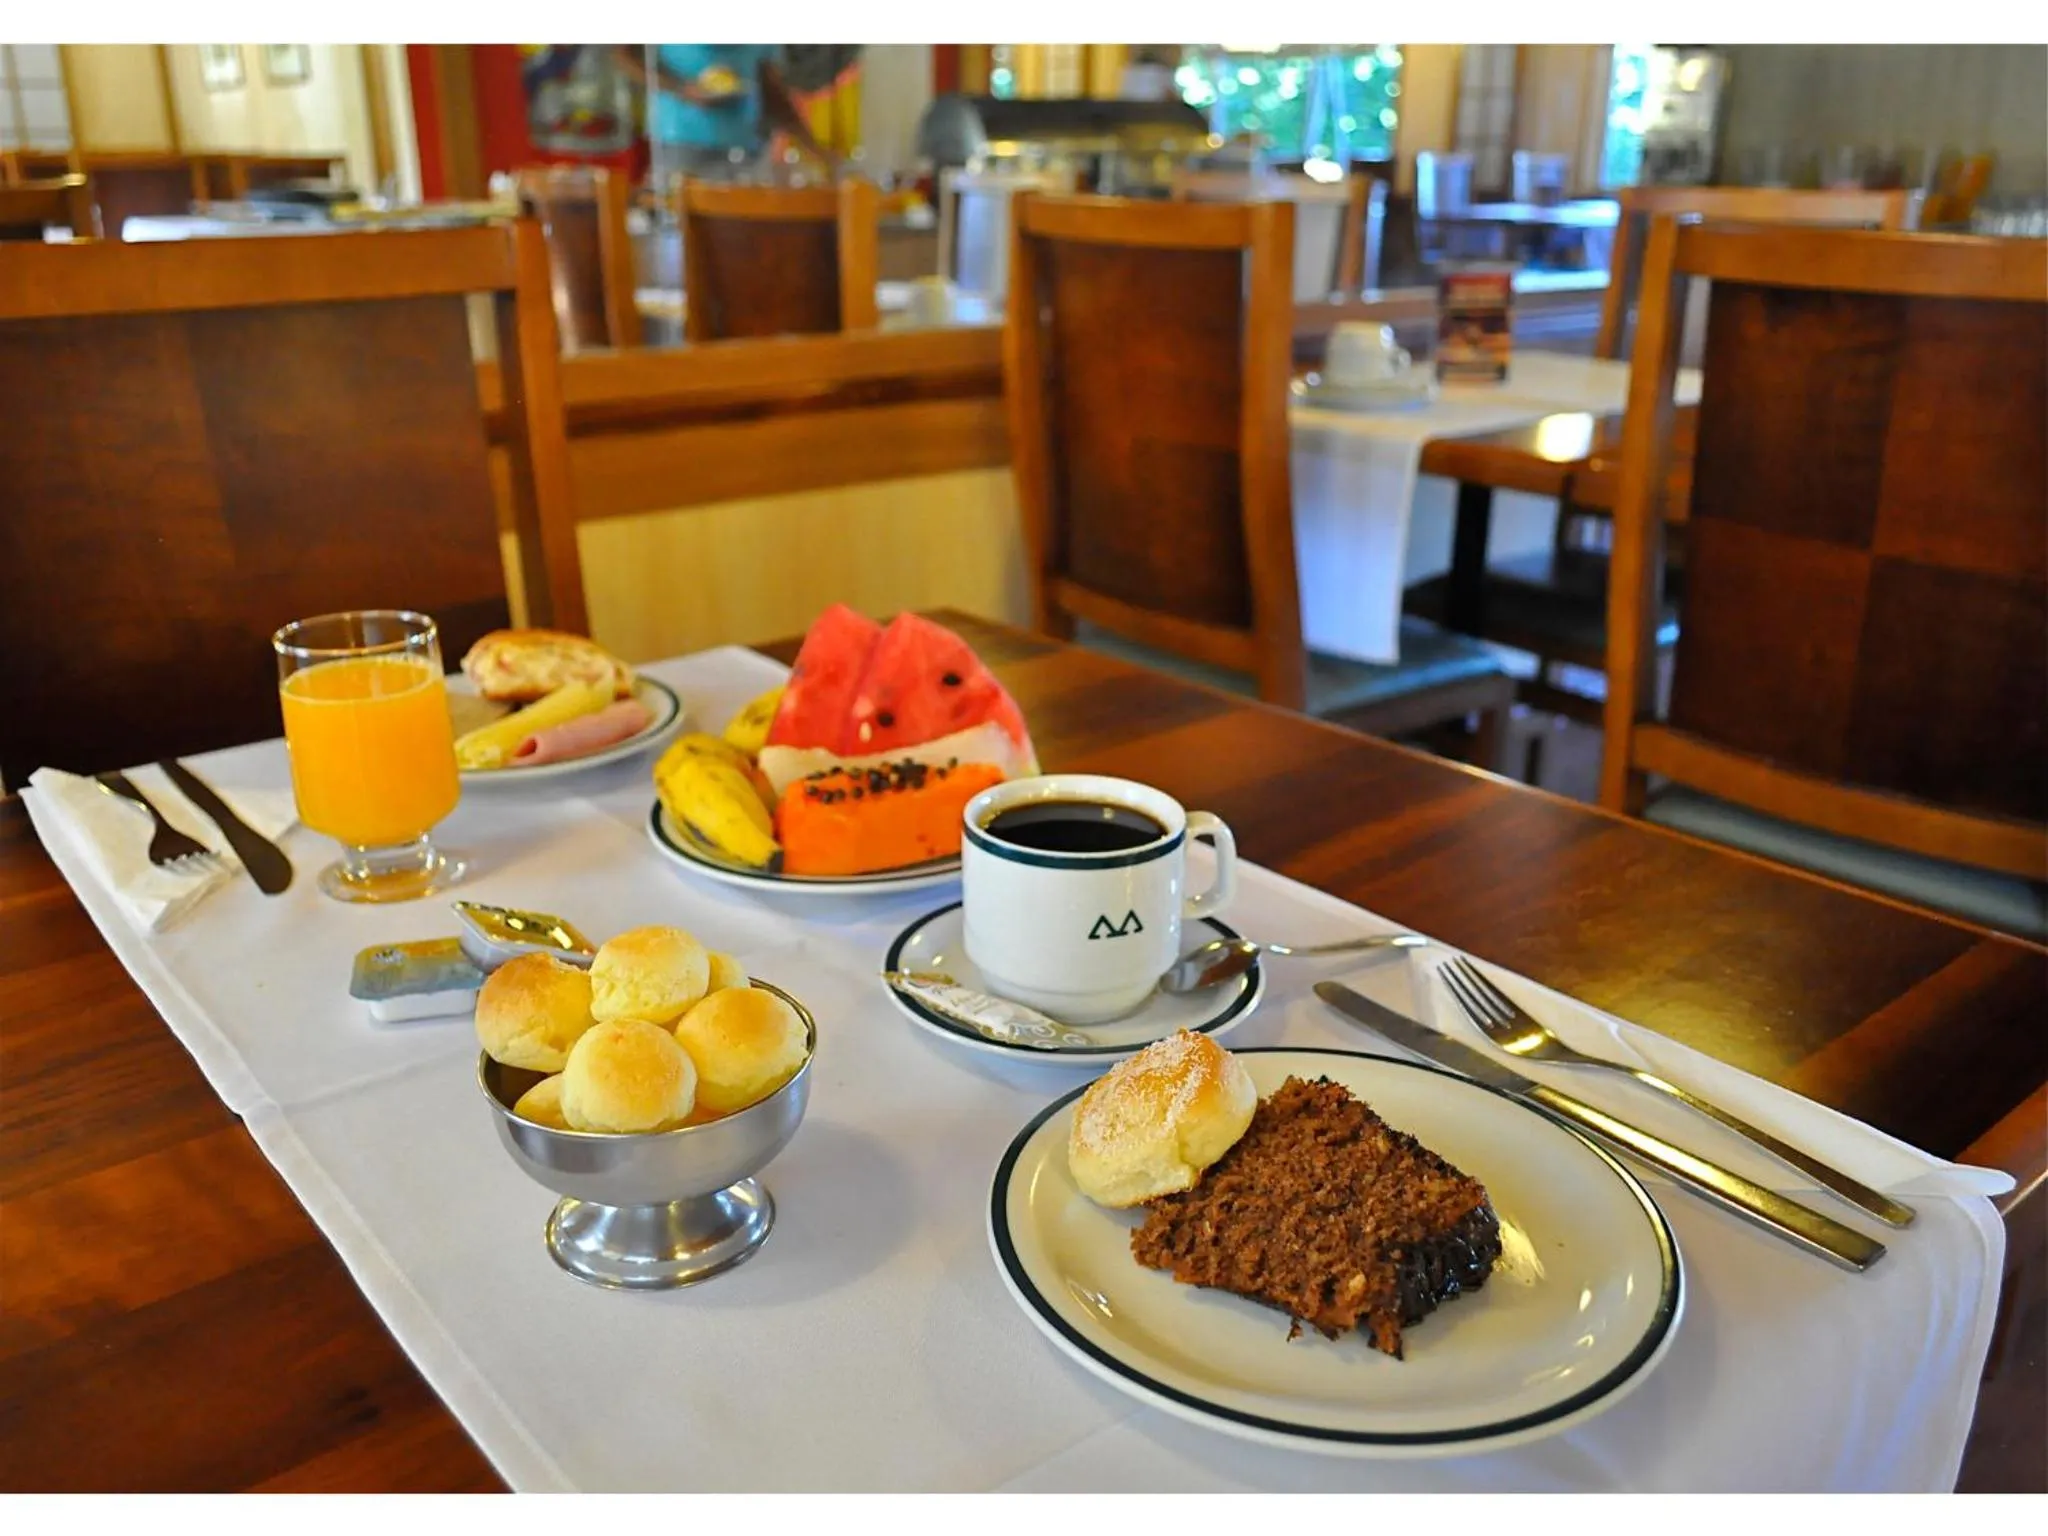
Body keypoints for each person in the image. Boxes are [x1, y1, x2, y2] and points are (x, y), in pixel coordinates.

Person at [617, 45, 838, 181]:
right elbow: (623, 53)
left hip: (746, 148)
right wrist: (681, 89)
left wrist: (817, 150)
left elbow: (772, 91)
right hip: (682, 143)